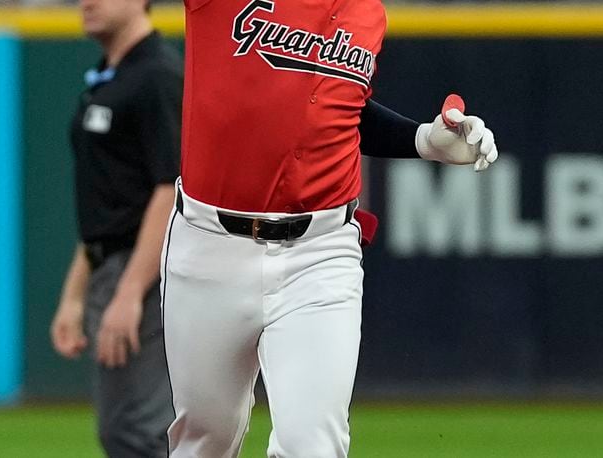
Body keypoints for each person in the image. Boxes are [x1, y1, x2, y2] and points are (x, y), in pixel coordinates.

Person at [161, 0, 498, 456]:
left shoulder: (366, 12)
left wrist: (421, 139)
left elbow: (336, 105)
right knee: (204, 440)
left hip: (320, 252)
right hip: (209, 244)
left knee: (313, 445)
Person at [49, 0, 182, 455]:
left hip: (143, 273)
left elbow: (170, 187)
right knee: (123, 430)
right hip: (112, 268)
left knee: (141, 432)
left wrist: (129, 294)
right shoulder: (109, 77)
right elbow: (105, 208)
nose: (87, 2)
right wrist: (74, 294)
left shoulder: (157, 75)